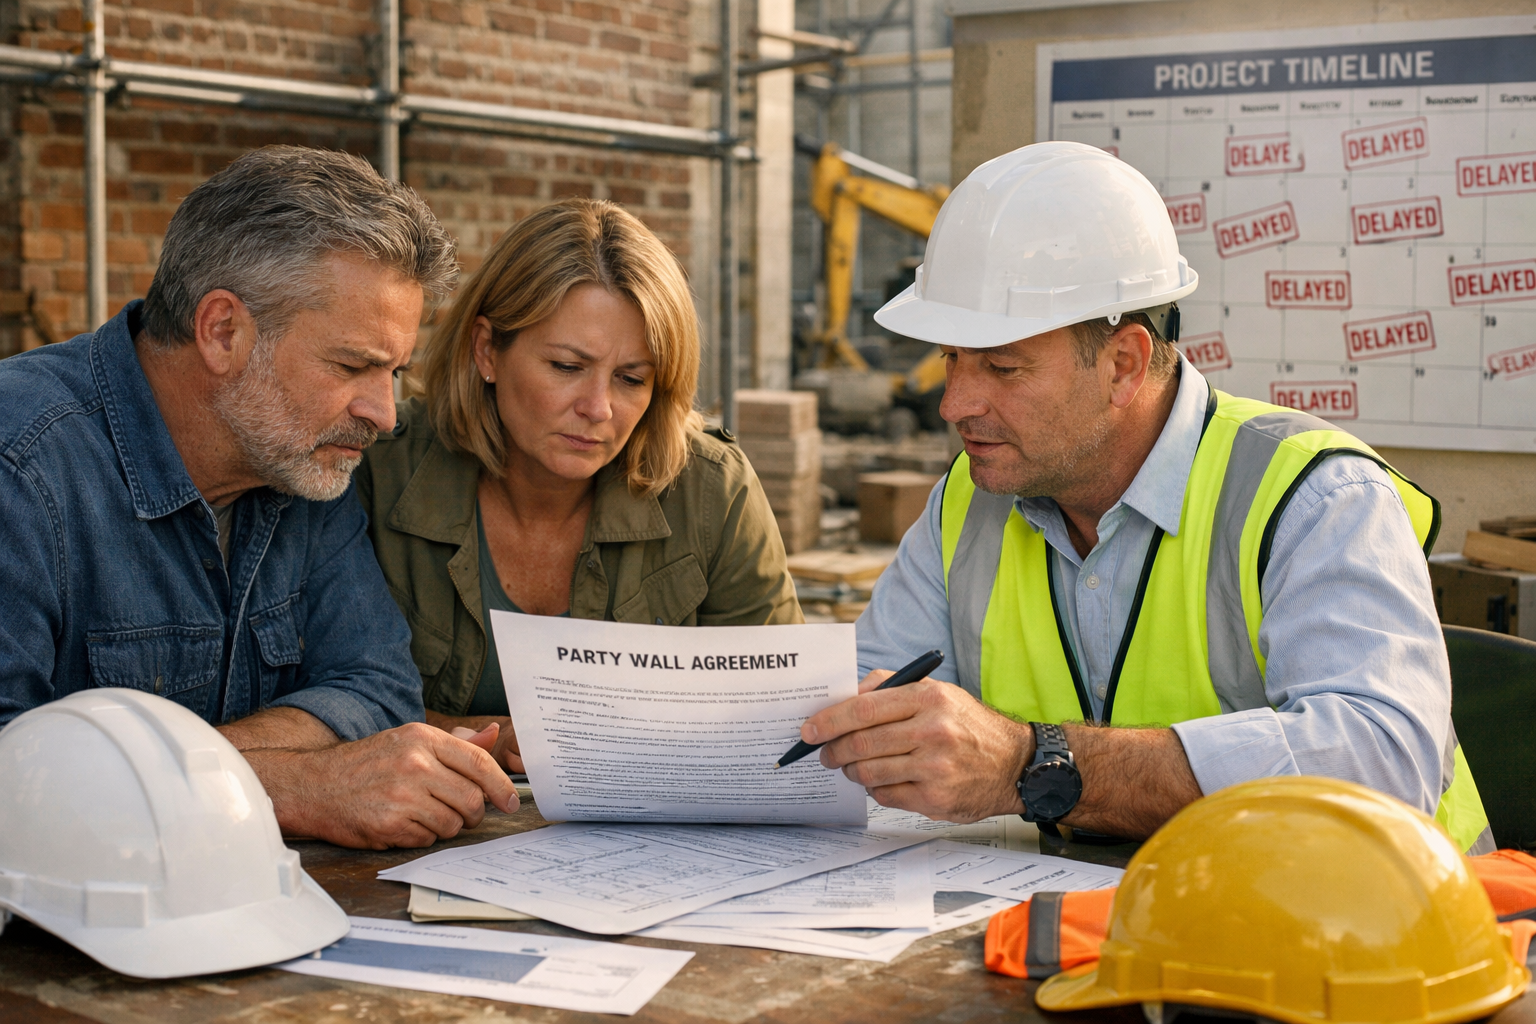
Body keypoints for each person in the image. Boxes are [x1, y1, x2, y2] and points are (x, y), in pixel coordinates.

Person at [798, 141, 1492, 853]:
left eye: (1002, 368)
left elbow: (1381, 766)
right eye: (951, 359)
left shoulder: (1313, 496)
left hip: (1390, 935)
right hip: (1113, 923)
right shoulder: (967, 507)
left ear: (1123, 364)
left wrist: (1036, 766)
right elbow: (863, 702)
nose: (954, 404)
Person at [0, 146, 518, 850]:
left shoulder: (302, 457)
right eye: (353, 365)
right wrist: (289, 785)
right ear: (222, 331)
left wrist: (173, 769)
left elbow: (378, 687)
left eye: (394, 371)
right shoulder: (21, 469)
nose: (385, 413)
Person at [357, 198, 801, 772]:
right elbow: (314, 695)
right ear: (487, 350)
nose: (598, 408)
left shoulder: (711, 489)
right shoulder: (376, 468)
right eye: (567, 367)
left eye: (631, 378)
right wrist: (470, 738)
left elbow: (777, 718)